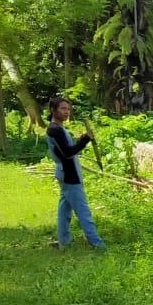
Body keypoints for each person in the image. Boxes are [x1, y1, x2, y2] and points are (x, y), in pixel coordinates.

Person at [44, 96, 106, 250]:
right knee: (83, 211)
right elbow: (67, 152)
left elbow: (68, 147)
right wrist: (84, 140)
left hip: (68, 174)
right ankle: (97, 244)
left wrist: (82, 139)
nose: (67, 112)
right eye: (63, 109)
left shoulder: (59, 128)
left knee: (64, 210)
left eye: (68, 109)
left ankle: (64, 241)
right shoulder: (54, 129)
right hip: (69, 175)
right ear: (53, 110)